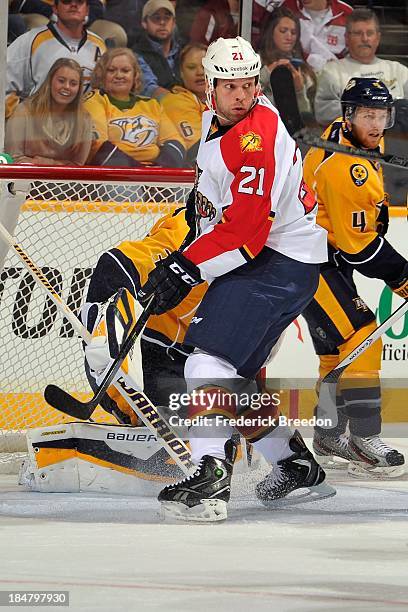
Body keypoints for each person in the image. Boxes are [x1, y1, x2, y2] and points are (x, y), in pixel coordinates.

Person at [136, 36, 333, 522]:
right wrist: (193, 239)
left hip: (275, 260)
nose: (242, 95)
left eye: (249, 85)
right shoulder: (216, 118)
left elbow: (246, 233)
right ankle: (293, 464)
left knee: (205, 363)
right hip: (287, 263)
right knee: (230, 377)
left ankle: (208, 478)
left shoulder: (255, 137)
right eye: (231, 86)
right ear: (211, 87)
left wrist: (186, 266)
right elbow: (217, 197)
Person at [302, 77, 407, 478]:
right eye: (367, 115)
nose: (377, 124)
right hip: (311, 264)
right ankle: (365, 439)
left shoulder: (348, 137)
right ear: (348, 115)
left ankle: (329, 434)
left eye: (382, 115)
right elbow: (359, 247)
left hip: (321, 257)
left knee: (336, 351)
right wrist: (402, 276)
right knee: (362, 334)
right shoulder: (345, 167)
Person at [84, 47, 186, 167]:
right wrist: (140, 176)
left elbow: (176, 142)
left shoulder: (151, 105)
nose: (119, 75)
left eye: (125, 70)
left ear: (135, 75)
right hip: (114, 176)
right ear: (101, 75)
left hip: (155, 173)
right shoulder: (94, 100)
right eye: (111, 70)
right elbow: (97, 146)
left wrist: (160, 172)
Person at [6, 0, 106, 113]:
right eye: (66, 1)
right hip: (39, 120)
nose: (73, 5)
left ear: (87, 9)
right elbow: (4, 83)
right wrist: (20, 116)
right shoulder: (30, 41)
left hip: (84, 122)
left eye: (79, 1)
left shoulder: (99, 46)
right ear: (55, 8)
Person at [314, 9, 408, 126]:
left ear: (378, 38)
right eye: (358, 33)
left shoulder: (399, 70)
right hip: (351, 142)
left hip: (398, 140)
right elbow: (323, 113)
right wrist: (371, 110)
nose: (365, 39)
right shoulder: (332, 71)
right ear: (347, 38)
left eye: (369, 33)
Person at [5, 57, 92, 166]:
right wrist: (57, 165)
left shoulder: (84, 119)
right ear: (50, 81)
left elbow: (77, 164)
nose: (66, 87)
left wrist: (40, 162)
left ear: (79, 88)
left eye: (73, 83)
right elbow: (13, 159)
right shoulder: (23, 111)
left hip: (66, 181)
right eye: (61, 81)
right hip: (25, 180)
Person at [258, 7, 317, 118]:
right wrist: (266, 74)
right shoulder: (255, 61)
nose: (289, 37)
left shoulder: (304, 69)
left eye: (293, 32)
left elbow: (309, 118)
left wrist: (299, 91)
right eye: (283, 31)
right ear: (270, 32)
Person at [161, 43, 207, 167]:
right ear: (181, 73)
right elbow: (198, 151)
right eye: (191, 67)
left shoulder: (224, 100)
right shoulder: (175, 102)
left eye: (205, 66)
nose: (200, 72)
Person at [132, 0, 182, 99]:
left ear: (173, 23)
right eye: (156, 18)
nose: (162, 23)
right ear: (144, 23)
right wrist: (181, 103)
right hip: (156, 110)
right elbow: (150, 89)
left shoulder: (184, 51)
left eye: (167, 18)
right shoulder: (136, 55)